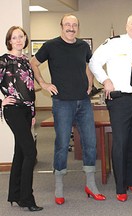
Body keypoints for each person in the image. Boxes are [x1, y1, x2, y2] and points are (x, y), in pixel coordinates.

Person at [30, 14, 105, 205]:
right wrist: (44, 83)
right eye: (67, 25)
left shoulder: (83, 46)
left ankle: (90, 185)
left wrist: (90, 82)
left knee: (90, 143)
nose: (71, 28)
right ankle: (59, 186)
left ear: (77, 27)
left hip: (83, 102)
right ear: (61, 26)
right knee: (62, 144)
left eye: (74, 25)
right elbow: (33, 63)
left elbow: (89, 65)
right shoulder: (51, 46)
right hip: (62, 103)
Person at [89, 13, 132, 202]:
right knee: (121, 143)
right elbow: (94, 62)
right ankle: (121, 186)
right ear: (126, 25)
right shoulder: (113, 43)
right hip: (120, 101)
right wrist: (105, 80)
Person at [0, 26, 43, 211]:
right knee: (31, 153)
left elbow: (29, 88)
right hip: (13, 110)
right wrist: (0, 102)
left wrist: (32, 113)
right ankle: (27, 198)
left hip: (26, 112)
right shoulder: (3, 61)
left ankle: (15, 194)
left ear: (25, 39)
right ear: (9, 41)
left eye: (21, 37)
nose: (18, 40)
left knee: (20, 153)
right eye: (14, 37)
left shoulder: (25, 60)